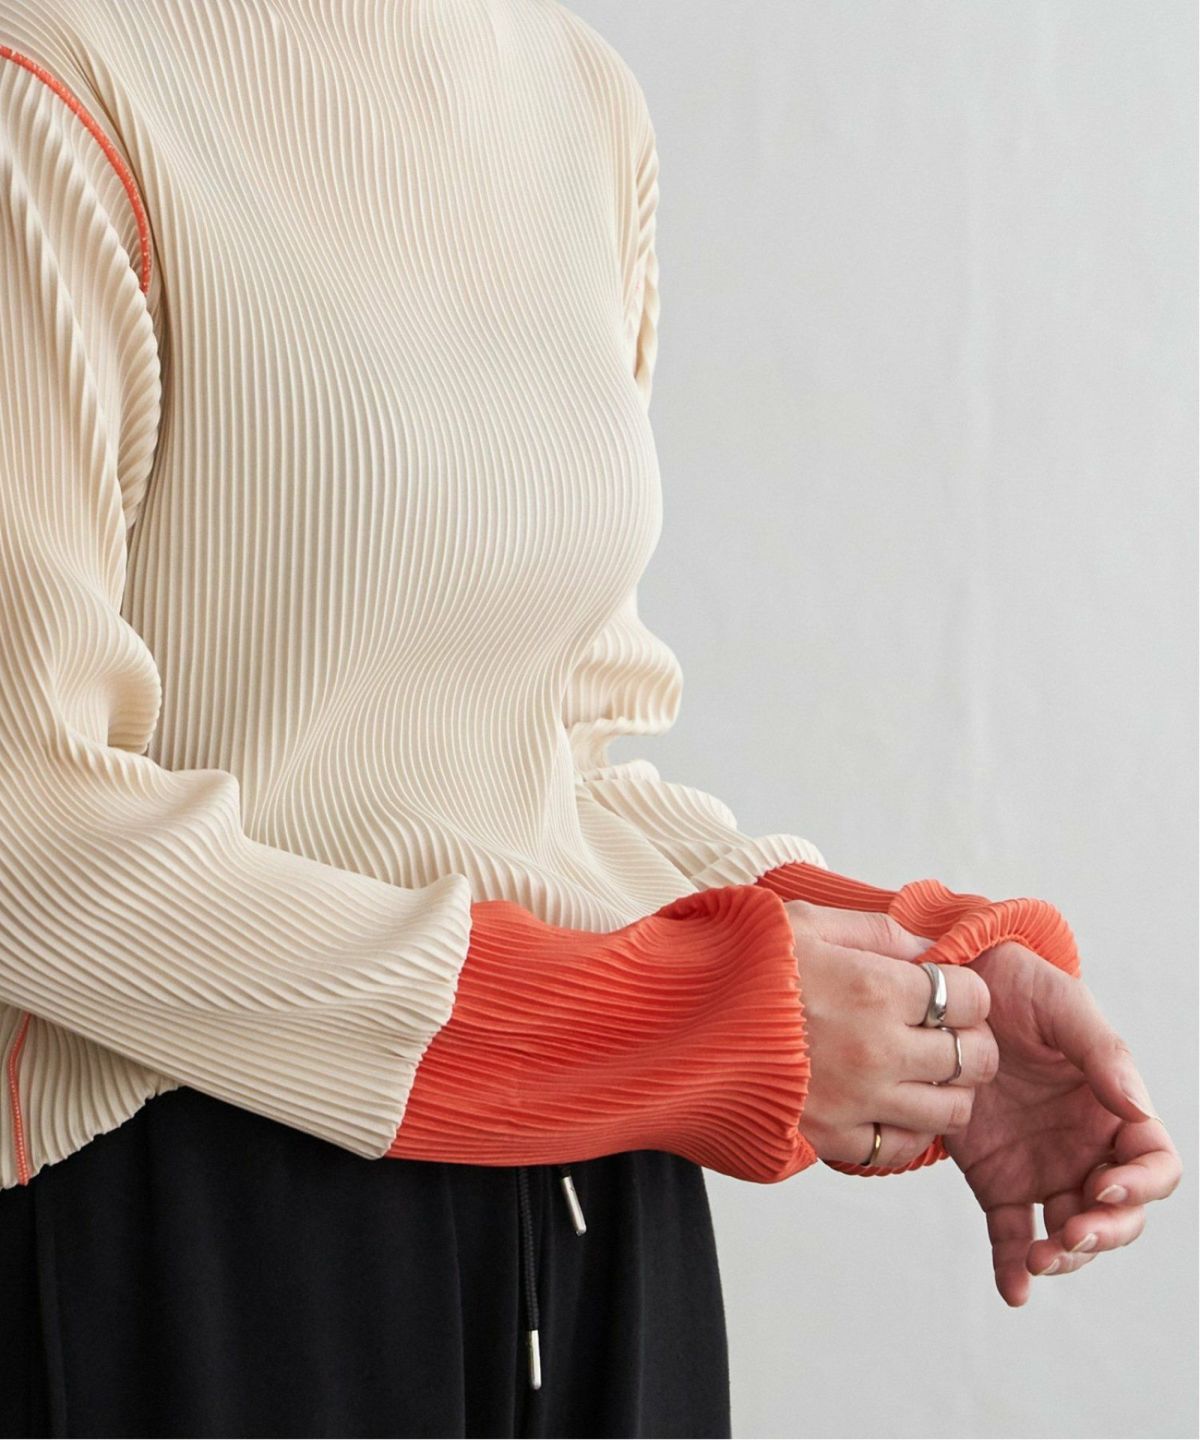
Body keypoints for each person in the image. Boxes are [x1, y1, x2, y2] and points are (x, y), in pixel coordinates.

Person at [0, 3, 1180, 1437]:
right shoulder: (55, 78)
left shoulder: (576, 99)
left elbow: (550, 773)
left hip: (608, 1200)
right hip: (205, 1218)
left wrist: (926, 991)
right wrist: (695, 1020)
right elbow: (27, 839)